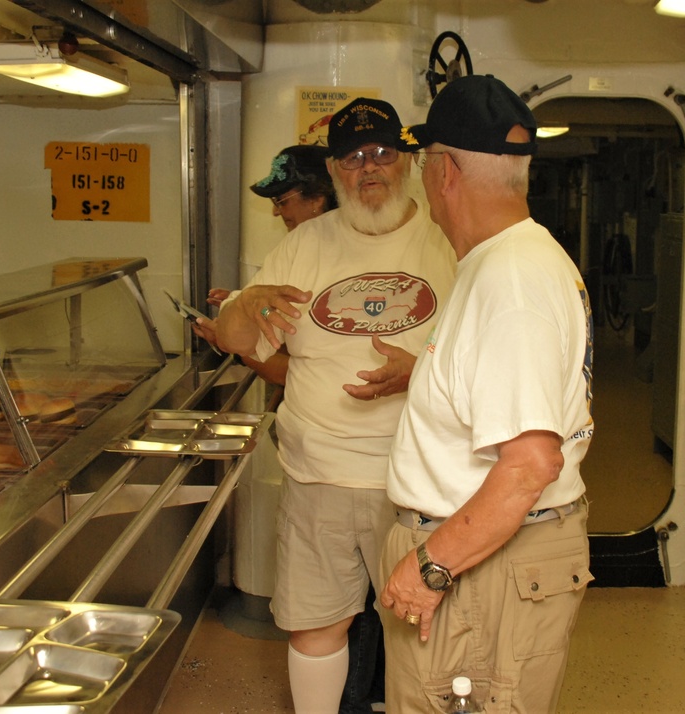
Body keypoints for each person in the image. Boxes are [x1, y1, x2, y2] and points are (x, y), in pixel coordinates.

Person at [216, 97, 457, 714]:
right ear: (333, 171)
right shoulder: (305, 245)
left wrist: (420, 373)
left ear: (406, 159)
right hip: (317, 470)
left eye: (381, 153)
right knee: (315, 625)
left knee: (425, 634)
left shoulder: (446, 239)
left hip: (420, 480)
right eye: (351, 158)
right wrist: (238, 311)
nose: (367, 168)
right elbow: (244, 342)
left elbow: (487, 354)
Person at [379, 75, 594, 713]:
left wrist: (431, 565)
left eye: (420, 162)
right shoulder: (509, 261)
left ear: (443, 170)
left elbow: (531, 463)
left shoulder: (511, 281)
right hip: (487, 557)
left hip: (480, 569)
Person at [194, 144, 337, 386]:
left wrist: (231, 342)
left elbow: (301, 373)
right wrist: (245, 310)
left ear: (317, 199)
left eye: (281, 200)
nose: (274, 211)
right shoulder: (296, 251)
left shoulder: (339, 263)